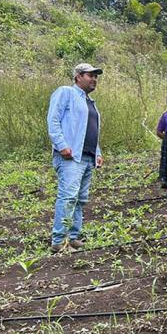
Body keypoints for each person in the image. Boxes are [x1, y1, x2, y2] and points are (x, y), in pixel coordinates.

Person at [46, 63, 105, 253]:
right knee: (68, 197)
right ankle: (58, 240)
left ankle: (73, 237)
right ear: (78, 76)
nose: (94, 79)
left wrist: (97, 153)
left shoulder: (90, 102)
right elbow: (53, 120)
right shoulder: (66, 93)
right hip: (71, 156)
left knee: (80, 199)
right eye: (90, 75)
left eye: (96, 76)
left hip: (86, 156)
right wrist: (61, 145)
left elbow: (90, 131)